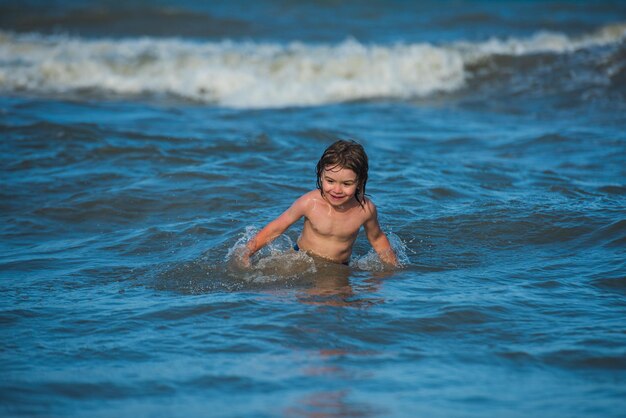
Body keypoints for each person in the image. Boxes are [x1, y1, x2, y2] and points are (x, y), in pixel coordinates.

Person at [240, 139, 398, 267]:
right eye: (330, 181)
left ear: (359, 182)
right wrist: (247, 252)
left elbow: (377, 239)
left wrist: (392, 268)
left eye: (347, 184)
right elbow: (276, 227)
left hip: (339, 267)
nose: (337, 190)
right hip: (300, 259)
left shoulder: (365, 209)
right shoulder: (310, 202)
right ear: (320, 175)